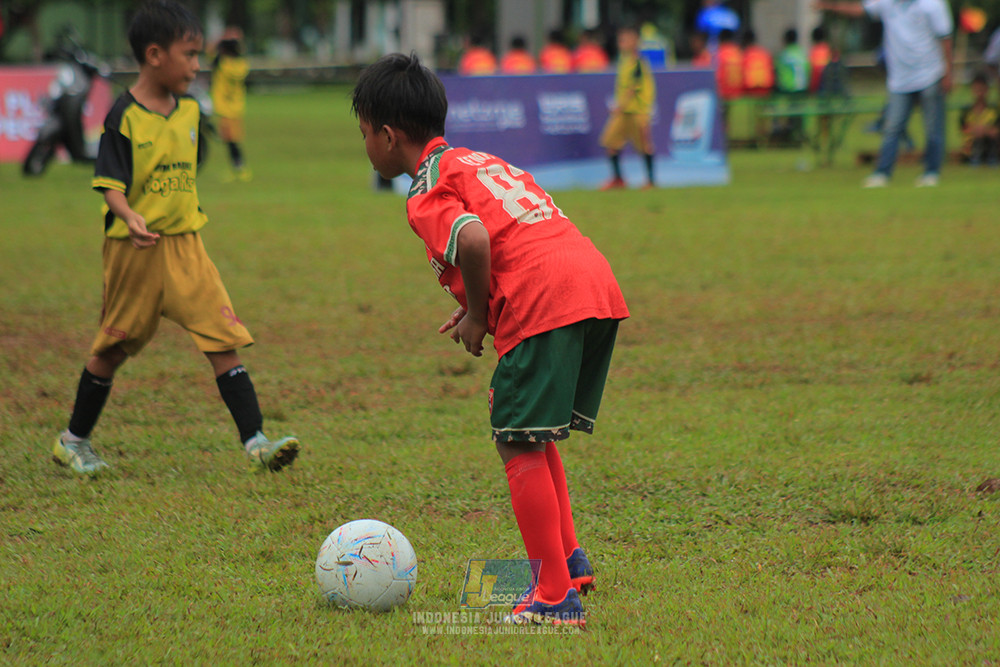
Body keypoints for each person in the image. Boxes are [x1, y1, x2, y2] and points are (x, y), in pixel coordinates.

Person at [351, 53, 629, 626]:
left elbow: (474, 241)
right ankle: (570, 563)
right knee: (529, 425)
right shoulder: (475, 159)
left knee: (516, 438)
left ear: (386, 134)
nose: (366, 147)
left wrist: (478, 312)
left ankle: (554, 599)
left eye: (363, 135)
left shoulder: (424, 189)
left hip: (545, 296)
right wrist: (477, 304)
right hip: (590, 280)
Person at [51, 0, 300, 475]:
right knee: (113, 347)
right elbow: (109, 183)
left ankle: (257, 443)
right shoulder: (123, 115)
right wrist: (130, 216)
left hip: (188, 246)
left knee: (220, 339)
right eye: (188, 55)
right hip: (134, 250)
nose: (196, 65)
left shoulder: (189, 111)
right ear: (154, 54)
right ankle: (72, 440)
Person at [816, 0, 953, 187]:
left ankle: (931, 172)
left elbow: (945, 38)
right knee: (892, 127)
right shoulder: (888, 3)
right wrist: (830, 6)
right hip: (900, 79)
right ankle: (882, 173)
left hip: (930, 74)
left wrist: (948, 72)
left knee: (932, 128)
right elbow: (860, 10)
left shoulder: (932, 4)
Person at [599, 24, 656, 190]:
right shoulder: (624, 62)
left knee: (644, 146)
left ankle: (650, 181)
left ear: (635, 41)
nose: (621, 42)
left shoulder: (638, 63)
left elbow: (633, 89)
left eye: (625, 39)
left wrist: (619, 106)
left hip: (637, 112)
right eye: (620, 40)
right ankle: (618, 179)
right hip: (623, 113)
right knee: (610, 143)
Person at [211, 31, 251, 181]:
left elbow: (211, 54)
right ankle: (237, 167)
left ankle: (240, 167)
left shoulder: (222, 63)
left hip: (224, 107)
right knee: (232, 138)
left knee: (230, 140)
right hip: (237, 105)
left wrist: (219, 41)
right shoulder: (242, 65)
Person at [959, 71, 999, 165]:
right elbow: (964, 129)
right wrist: (976, 130)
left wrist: (984, 130)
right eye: (977, 89)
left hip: (990, 144)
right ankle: (974, 158)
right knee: (976, 139)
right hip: (971, 146)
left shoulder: (994, 111)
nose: (979, 93)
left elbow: (996, 131)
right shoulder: (966, 111)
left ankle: (992, 158)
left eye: (982, 89)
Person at [775, 28, 810, 95]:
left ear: (785, 39)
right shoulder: (802, 54)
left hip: (787, 89)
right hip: (802, 88)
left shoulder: (783, 55)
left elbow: (777, 71)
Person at [741, 29, 774, 98]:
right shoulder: (764, 53)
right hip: (765, 90)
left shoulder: (745, 55)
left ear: (745, 40)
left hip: (750, 91)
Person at [715, 28, 744, 101]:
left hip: (724, 96)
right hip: (739, 95)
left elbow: (716, 76)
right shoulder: (739, 53)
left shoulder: (719, 54)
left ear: (720, 39)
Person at [808, 25, 832, 93]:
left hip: (818, 84)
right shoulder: (828, 49)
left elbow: (813, 70)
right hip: (829, 83)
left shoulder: (813, 51)